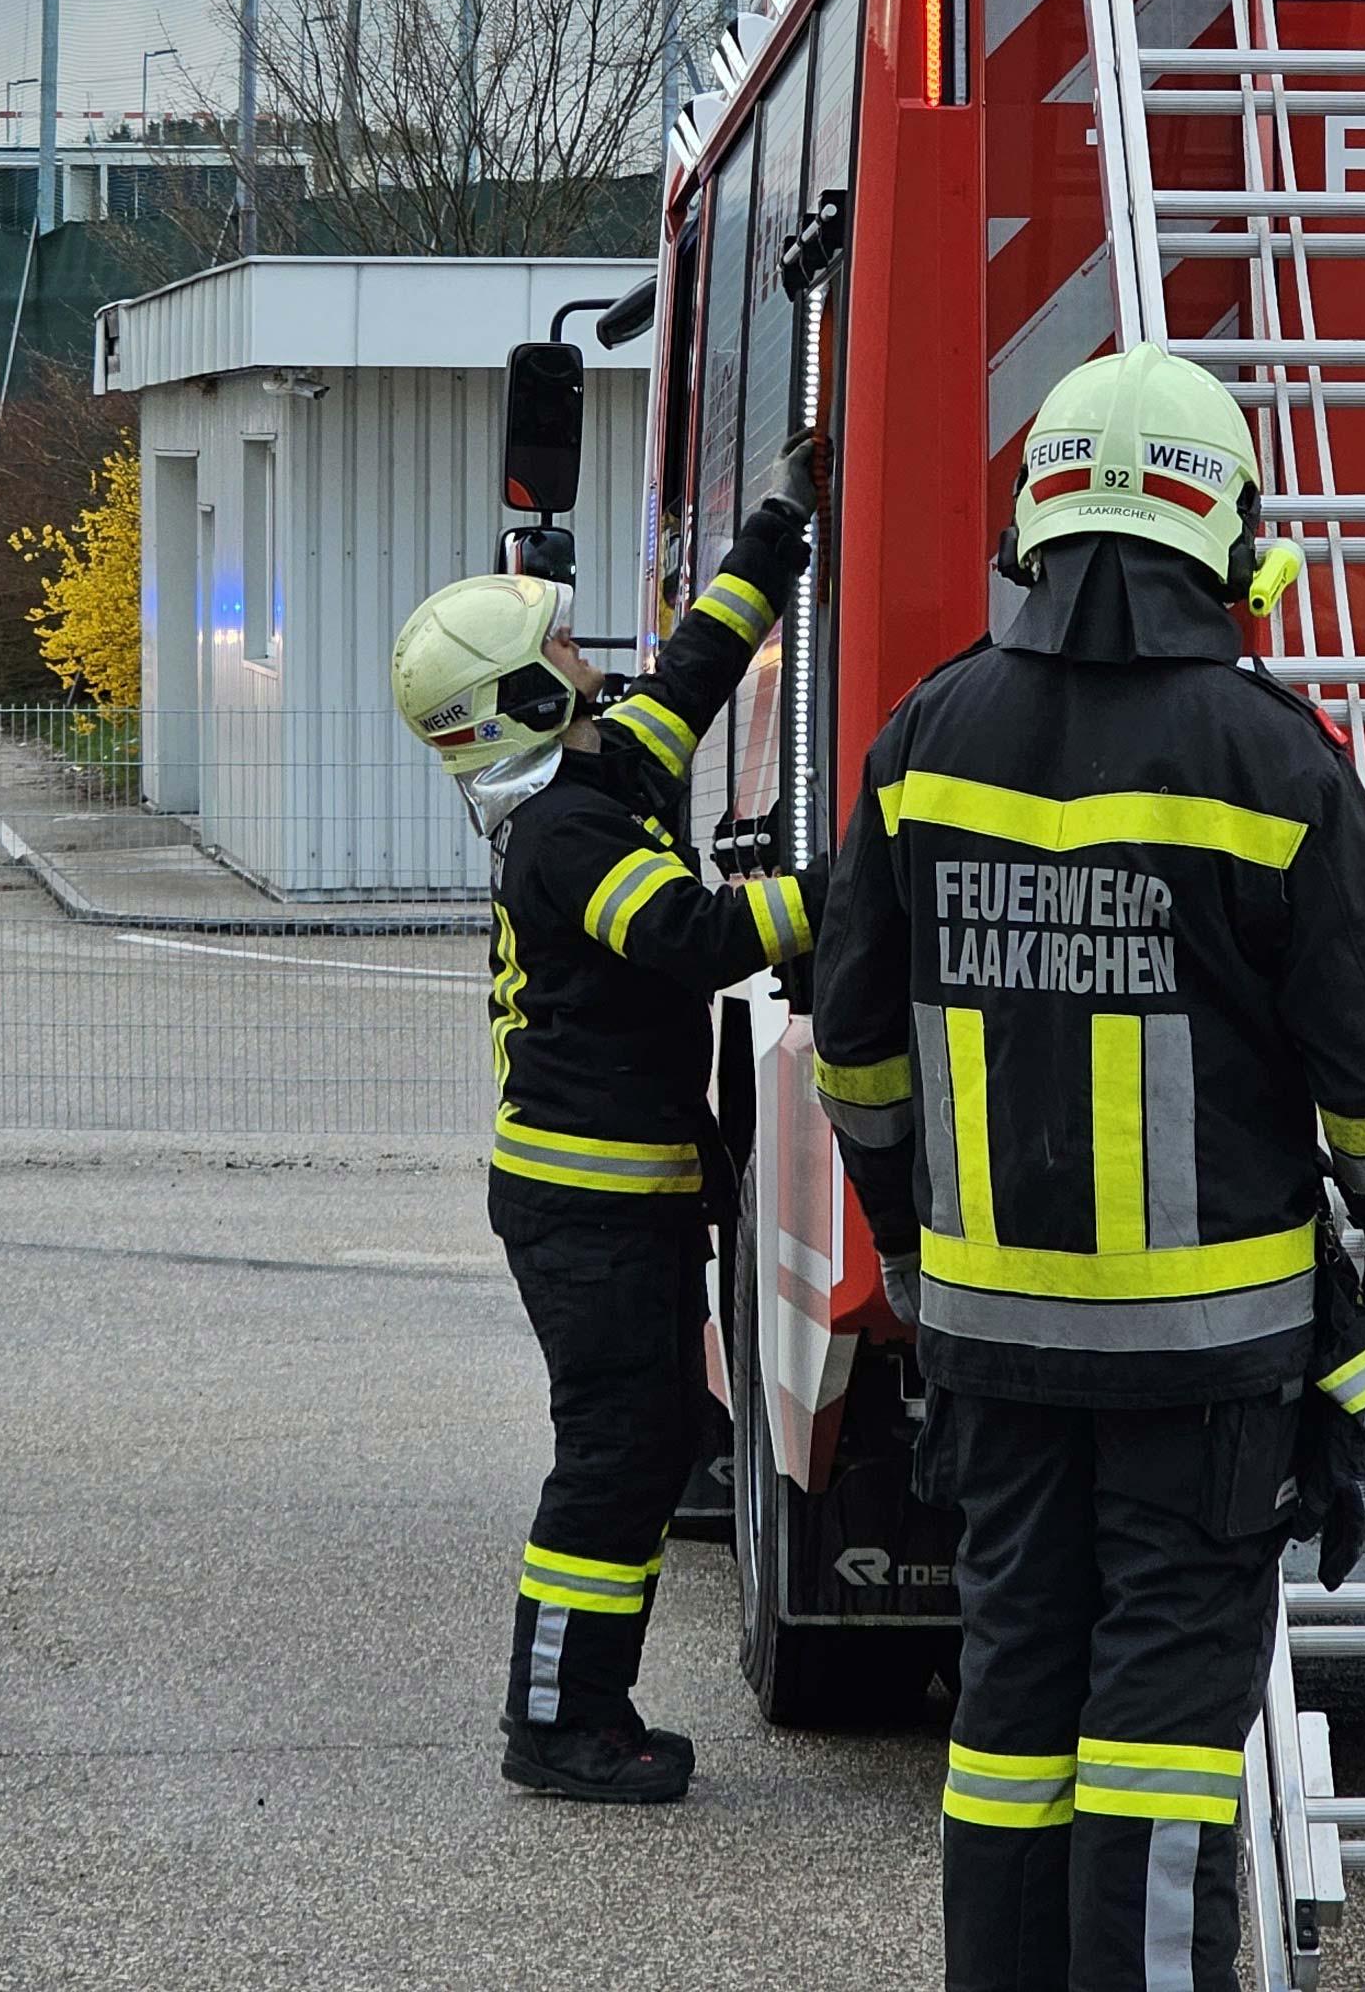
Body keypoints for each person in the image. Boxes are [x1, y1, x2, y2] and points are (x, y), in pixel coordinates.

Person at [809, 347, 1365, 1991]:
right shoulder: (1278, 762)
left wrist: (911, 1235)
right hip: (1210, 1367)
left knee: (1013, 1705)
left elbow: (854, 1050)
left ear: (1038, 521)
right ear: (1224, 532)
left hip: (990, 1350)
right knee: (1165, 1735)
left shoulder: (922, 739)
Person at [388, 481, 822, 1806]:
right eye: (566, 656)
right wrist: (872, 881)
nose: (595, 666)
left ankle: (592, 1710)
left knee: (648, 1438)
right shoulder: (570, 834)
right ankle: (559, 1724)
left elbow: (690, 676)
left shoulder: (587, 774)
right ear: (519, 701)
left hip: (609, 1202)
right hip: (589, 1212)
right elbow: (693, 938)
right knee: (617, 1454)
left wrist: (771, 543)